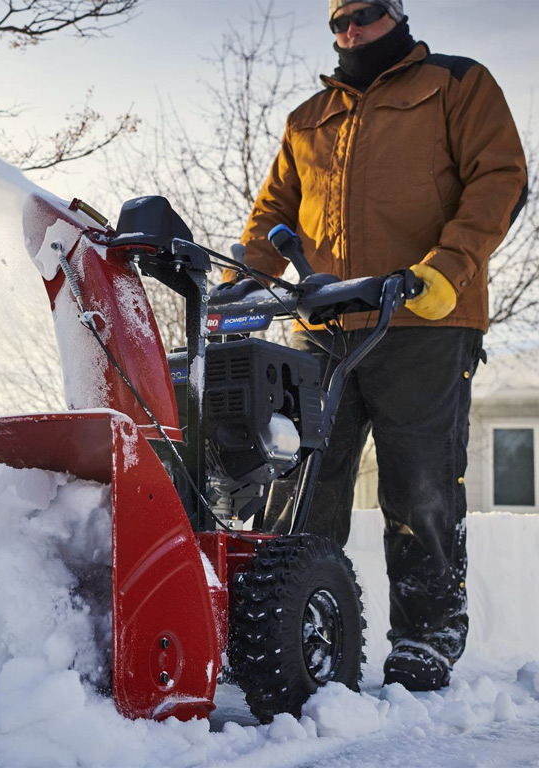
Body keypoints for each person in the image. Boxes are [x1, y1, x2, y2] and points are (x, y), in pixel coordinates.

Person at [225, 0, 528, 691]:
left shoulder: (456, 83)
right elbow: (270, 213)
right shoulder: (308, 118)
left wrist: (446, 270)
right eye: (337, 22)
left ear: (395, 13)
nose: (349, 32)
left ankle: (426, 637)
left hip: (422, 318)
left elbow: (501, 179)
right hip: (324, 326)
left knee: (419, 484)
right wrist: (241, 286)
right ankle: (296, 632)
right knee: (299, 487)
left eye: (362, 15)